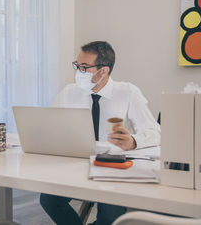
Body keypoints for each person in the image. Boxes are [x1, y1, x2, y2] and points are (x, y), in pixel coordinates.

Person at [40, 41, 161, 225]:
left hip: (113, 169)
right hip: (76, 165)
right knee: (49, 200)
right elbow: (51, 126)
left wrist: (133, 141)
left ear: (103, 70)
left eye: (84, 67)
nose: (78, 72)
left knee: (110, 218)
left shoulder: (128, 92)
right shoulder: (68, 92)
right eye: (77, 66)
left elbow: (155, 132)